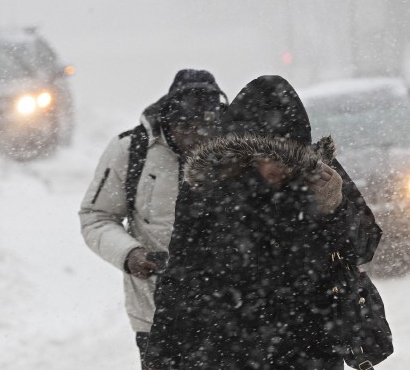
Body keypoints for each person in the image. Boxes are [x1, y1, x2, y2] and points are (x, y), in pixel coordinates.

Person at [144, 75, 382, 370]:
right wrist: (161, 358)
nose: (282, 168)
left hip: (310, 346)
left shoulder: (320, 176)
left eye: (291, 158)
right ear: (248, 153)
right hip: (227, 347)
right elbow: (180, 276)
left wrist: (334, 208)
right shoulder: (207, 188)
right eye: (272, 157)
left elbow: (364, 247)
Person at [78, 69, 227, 370]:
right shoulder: (131, 150)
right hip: (155, 315)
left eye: (206, 125)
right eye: (186, 125)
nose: (196, 134)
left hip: (230, 314)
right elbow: (96, 217)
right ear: (168, 120)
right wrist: (130, 254)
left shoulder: (239, 154)